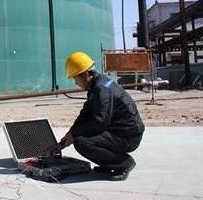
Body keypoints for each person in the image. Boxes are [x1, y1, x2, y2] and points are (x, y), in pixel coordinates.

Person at [60, 52, 145, 181]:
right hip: (122, 131)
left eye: (75, 79)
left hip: (128, 136)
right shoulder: (97, 85)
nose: (76, 83)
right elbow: (86, 113)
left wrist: (75, 135)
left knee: (82, 143)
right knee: (80, 136)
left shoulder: (101, 89)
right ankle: (109, 164)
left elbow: (99, 122)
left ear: (84, 75)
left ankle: (124, 163)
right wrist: (71, 133)